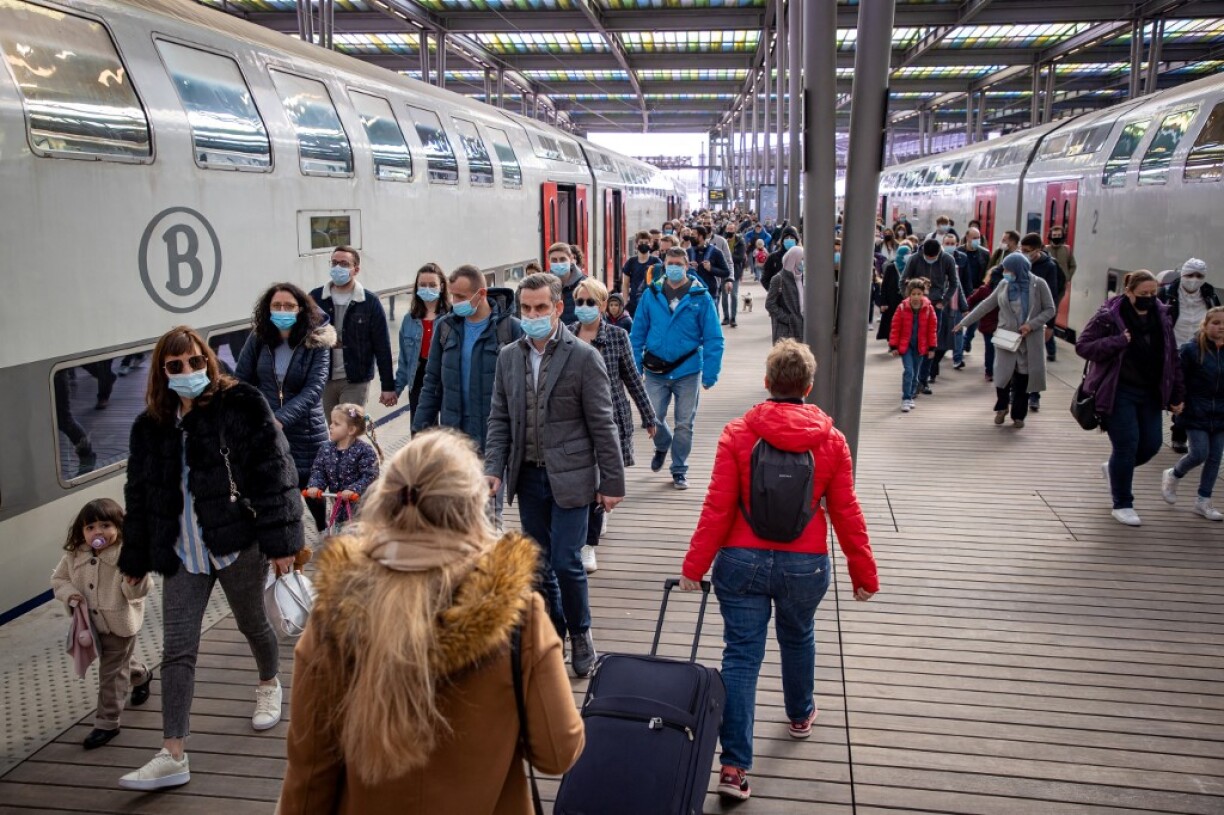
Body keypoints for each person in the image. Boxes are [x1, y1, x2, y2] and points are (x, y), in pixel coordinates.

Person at [277, 430, 585, 814]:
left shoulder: (334, 616)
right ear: (473, 509)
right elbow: (558, 752)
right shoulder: (519, 617)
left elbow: (309, 775)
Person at [677, 339, 878, 803]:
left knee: (742, 656)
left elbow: (718, 507)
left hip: (740, 559)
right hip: (804, 564)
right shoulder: (831, 440)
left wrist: (694, 567)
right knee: (799, 634)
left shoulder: (737, 433)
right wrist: (863, 573)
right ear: (808, 386)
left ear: (767, 382)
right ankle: (800, 713)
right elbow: (846, 510)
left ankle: (733, 768)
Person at [118, 326, 303, 790]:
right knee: (177, 649)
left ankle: (268, 682)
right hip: (181, 552)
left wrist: (283, 544)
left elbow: (275, 474)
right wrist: (136, 558)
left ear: (209, 361)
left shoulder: (241, 404)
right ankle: (172, 752)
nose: (188, 372)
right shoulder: (149, 427)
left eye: (196, 362)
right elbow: (138, 495)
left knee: (252, 624)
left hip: (237, 542)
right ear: (162, 372)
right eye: (176, 366)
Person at [484, 273, 625, 678]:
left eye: (540, 308)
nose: (532, 315)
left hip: (574, 477)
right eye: (525, 308)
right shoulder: (509, 357)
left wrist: (611, 483)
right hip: (526, 477)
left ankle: (581, 633)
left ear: (558, 308)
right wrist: (494, 467)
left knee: (567, 562)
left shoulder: (583, 356)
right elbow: (499, 418)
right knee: (539, 566)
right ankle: (554, 634)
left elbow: (603, 423)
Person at [1076, 271, 1186, 527]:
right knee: (1126, 446)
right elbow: (1083, 346)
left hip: (1150, 392)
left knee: (1151, 445)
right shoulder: (1109, 316)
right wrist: (1117, 341)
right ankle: (1122, 503)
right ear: (1128, 292)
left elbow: (1172, 358)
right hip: (1117, 390)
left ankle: (1114, 469)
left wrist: (1177, 394)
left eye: (1153, 293)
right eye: (1143, 294)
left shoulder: (1162, 316)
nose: (1149, 298)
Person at [569, 278, 657, 574]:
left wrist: (649, 416)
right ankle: (589, 525)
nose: (583, 307)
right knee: (584, 480)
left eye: (590, 302)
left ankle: (587, 545)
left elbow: (632, 378)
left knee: (599, 480)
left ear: (603, 305)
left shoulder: (618, 337)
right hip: (572, 422)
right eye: (579, 302)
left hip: (608, 420)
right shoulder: (566, 335)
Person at [51, 498, 152, 750]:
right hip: (90, 624)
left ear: (119, 527)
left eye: (105, 525)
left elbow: (137, 593)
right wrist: (70, 594)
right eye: (90, 527)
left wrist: (134, 581)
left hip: (120, 625)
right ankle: (141, 675)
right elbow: (59, 579)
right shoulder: (75, 555)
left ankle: (107, 723)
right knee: (119, 664)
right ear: (81, 532)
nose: (98, 532)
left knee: (111, 673)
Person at [236, 283, 335, 531]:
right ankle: (286, 544)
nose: (283, 310)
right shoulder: (259, 337)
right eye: (277, 306)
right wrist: (256, 415)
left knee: (312, 491)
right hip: (267, 429)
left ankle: (325, 531)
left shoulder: (316, 340)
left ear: (300, 309)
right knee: (276, 491)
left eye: (289, 306)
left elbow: (314, 389)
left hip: (306, 432)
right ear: (267, 309)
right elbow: (242, 378)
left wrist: (280, 419)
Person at [631, 247, 725, 490]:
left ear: (686, 266)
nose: (674, 267)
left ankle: (679, 469)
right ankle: (663, 444)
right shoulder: (651, 294)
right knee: (652, 417)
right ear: (664, 265)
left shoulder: (700, 297)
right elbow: (638, 332)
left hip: (688, 370)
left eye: (678, 264)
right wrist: (635, 365)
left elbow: (714, 337)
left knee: (685, 423)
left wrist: (711, 372)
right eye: (670, 263)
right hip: (655, 371)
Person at [411, 265, 523, 455]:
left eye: (461, 297)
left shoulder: (511, 330)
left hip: (495, 440)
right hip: (454, 438)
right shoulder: (445, 327)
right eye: (453, 296)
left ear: (481, 294)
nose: (455, 302)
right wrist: (420, 431)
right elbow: (432, 382)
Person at [955, 253, 1056, 429]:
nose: (1005, 272)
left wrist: (1031, 325)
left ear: (1019, 268)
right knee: (1002, 375)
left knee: (1023, 378)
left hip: (1029, 340)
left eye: (1008, 269)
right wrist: (964, 323)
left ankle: (1019, 415)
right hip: (1006, 337)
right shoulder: (1004, 285)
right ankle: (1001, 407)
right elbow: (987, 305)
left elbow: (1050, 309)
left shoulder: (1039, 284)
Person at [310, 246, 397, 416]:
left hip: (355, 381)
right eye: (334, 263)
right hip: (323, 379)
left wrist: (387, 386)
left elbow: (382, 346)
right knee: (332, 430)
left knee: (348, 427)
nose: (337, 268)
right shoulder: (315, 298)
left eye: (344, 264)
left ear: (355, 269)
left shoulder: (369, 302)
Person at [1162, 307, 1224, 521]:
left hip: (1221, 413)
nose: (1221, 327)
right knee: (1199, 453)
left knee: (1215, 457)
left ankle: (1203, 501)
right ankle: (1174, 474)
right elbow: (1178, 377)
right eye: (1216, 323)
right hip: (1195, 409)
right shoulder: (1190, 349)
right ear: (1205, 325)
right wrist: (1175, 401)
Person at [1159, 258, 1220, 454]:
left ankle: (1179, 433)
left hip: (1199, 349)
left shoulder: (1210, 294)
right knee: (1173, 390)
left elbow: (1217, 318)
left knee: (1191, 391)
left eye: (1199, 276)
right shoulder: (1168, 293)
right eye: (1189, 275)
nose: (1194, 280)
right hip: (1173, 349)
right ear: (1182, 275)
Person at [304, 404, 383, 527]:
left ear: (351, 430)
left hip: (363, 511)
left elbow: (370, 476)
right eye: (331, 422)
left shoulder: (364, 451)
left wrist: (354, 489)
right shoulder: (326, 449)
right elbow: (319, 470)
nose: (330, 426)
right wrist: (315, 485)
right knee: (341, 538)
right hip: (339, 510)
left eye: (336, 424)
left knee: (363, 541)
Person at [394, 263, 450, 420]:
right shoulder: (409, 320)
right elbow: (404, 359)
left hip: (445, 377)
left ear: (442, 286)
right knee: (421, 430)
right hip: (419, 379)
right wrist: (396, 389)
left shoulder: (451, 318)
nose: (427, 289)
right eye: (423, 285)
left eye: (432, 285)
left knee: (447, 431)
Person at [903, 239, 959, 391]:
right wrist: (907, 300)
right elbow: (903, 280)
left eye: (934, 257)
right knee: (915, 341)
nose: (930, 260)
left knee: (930, 343)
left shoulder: (947, 259)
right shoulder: (914, 259)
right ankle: (914, 379)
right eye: (928, 257)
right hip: (915, 306)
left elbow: (954, 283)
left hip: (936, 305)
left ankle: (923, 379)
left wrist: (944, 300)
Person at [1020, 232, 1065, 382]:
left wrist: (1050, 325)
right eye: (1022, 250)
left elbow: (1051, 299)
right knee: (1017, 358)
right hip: (1019, 318)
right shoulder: (1018, 261)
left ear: (1037, 250)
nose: (1023, 254)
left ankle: (1034, 395)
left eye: (1027, 251)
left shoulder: (1050, 267)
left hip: (1037, 321)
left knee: (1036, 359)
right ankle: (1015, 391)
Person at [889, 280, 938, 412]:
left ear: (923, 294)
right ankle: (905, 398)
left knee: (916, 373)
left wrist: (932, 347)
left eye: (919, 294)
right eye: (913, 294)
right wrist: (893, 346)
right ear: (909, 294)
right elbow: (895, 327)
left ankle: (910, 396)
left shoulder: (929, 309)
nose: (916, 297)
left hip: (920, 346)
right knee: (909, 371)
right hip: (906, 346)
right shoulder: (902, 308)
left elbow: (932, 329)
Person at [966, 266, 1004, 381]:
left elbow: (971, 300)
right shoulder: (987, 289)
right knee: (994, 349)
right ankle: (992, 371)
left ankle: (992, 371)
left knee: (994, 349)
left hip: (996, 325)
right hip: (993, 325)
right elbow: (971, 300)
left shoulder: (987, 289)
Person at [960, 227, 991, 354]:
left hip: (978, 290)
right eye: (974, 238)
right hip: (962, 289)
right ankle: (960, 341)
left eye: (978, 238)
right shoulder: (959, 252)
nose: (977, 240)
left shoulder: (984, 253)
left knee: (975, 317)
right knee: (959, 317)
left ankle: (966, 340)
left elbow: (988, 271)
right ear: (967, 238)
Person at [688, 226, 731, 318]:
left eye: (693, 235)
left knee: (711, 318)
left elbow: (726, 272)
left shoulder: (716, 252)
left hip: (710, 292)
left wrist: (711, 269)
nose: (690, 237)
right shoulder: (687, 252)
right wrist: (688, 267)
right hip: (691, 292)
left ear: (700, 236)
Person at [766, 245, 805, 343]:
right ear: (793, 259)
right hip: (785, 331)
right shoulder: (778, 279)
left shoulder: (804, 278)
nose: (803, 262)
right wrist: (789, 319)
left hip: (803, 328)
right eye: (802, 259)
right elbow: (770, 304)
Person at [620, 231, 662, 316]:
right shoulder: (631, 262)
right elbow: (625, 284)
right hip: (634, 302)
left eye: (646, 242)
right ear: (636, 244)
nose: (644, 244)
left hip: (651, 300)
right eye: (641, 242)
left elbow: (660, 282)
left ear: (650, 244)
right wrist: (625, 302)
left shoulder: (656, 261)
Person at [875, 244, 910, 343]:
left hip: (904, 299)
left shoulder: (910, 267)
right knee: (891, 322)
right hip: (891, 301)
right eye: (905, 253)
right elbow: (885, 285)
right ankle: (892, 342)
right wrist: (883, 302)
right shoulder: (891, 267)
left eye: (909, 253)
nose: (908, 255)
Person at [548, 242, 587, 324]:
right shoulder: (545, 285)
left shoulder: (585, 284)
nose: (558, 263)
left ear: (571, 259)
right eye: (554, 260)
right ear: (549, 262)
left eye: (562, 259)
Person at [760, 226, 798, 292]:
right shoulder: (773, 257)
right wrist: (773, 291)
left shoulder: (801, 257)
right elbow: (764, 278)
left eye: (792, 238)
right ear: (782, 240)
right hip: (779, 298)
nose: (789, 240)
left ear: (796, 240)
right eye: (786, 238)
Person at [1044, 224, 1077, 290]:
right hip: (1048, 283)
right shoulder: (1045, 250)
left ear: (1062, 236)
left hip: (1063, 284)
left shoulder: (1067, 249)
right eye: (1054, 235)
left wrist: (1068, 277)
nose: (1057, 237)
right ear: (1050, 236)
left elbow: (1073, 265)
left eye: (1059, 235)